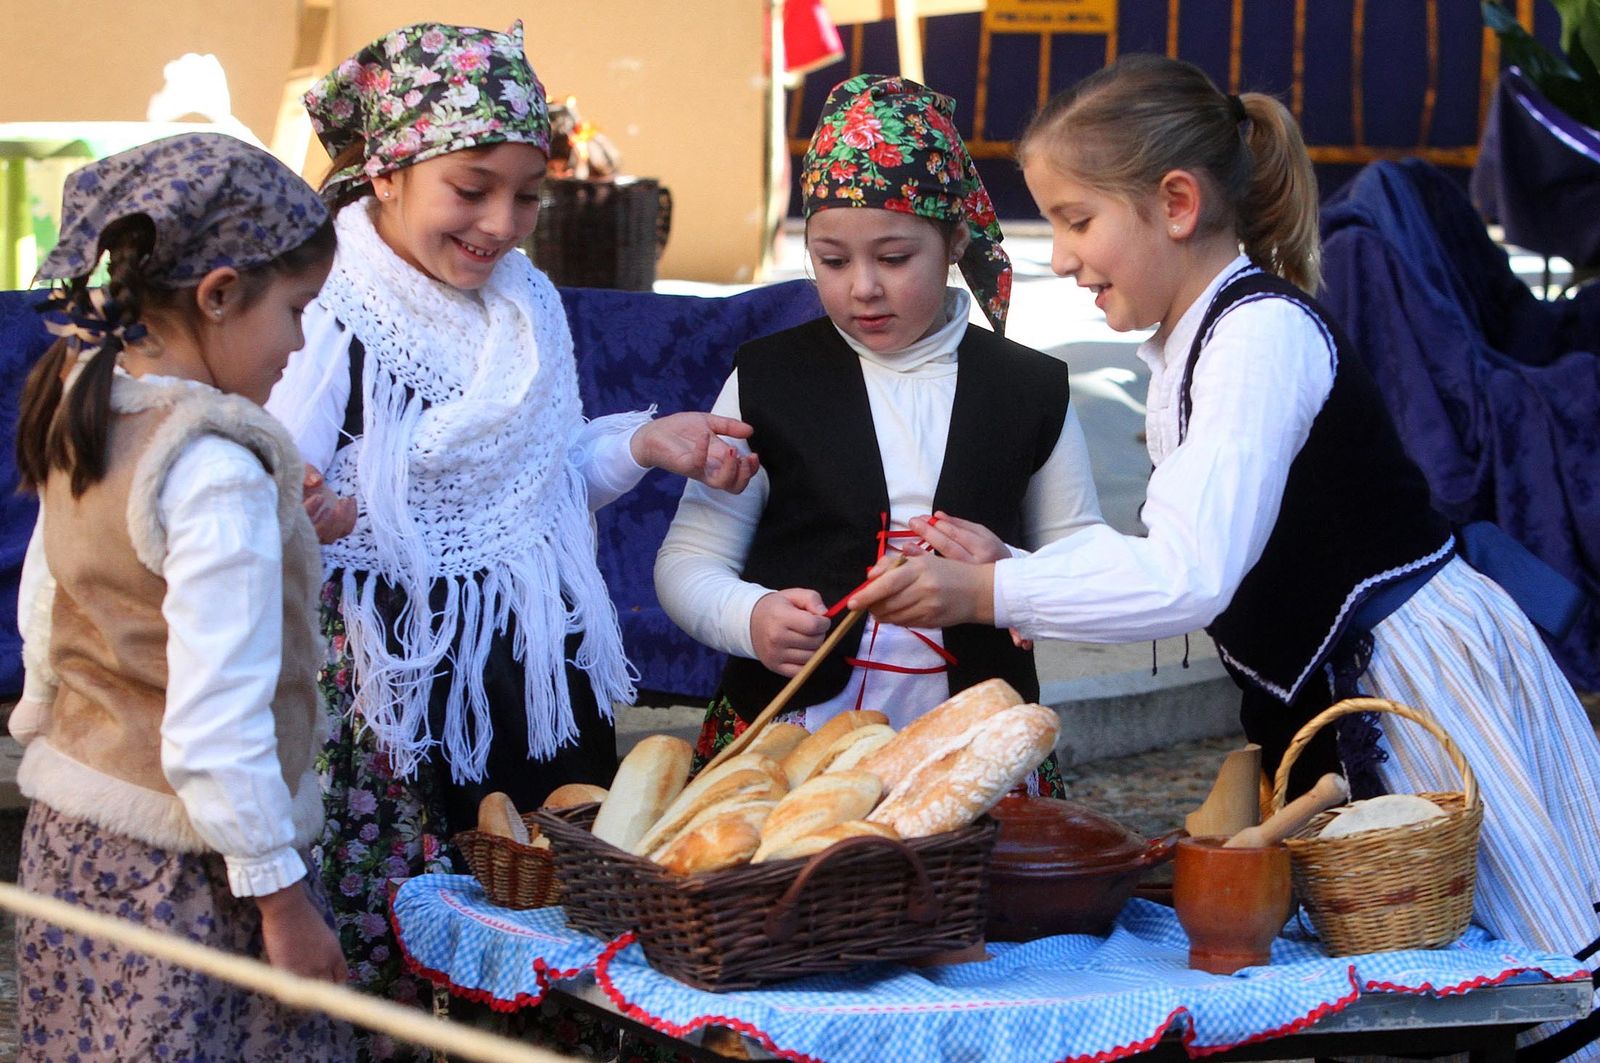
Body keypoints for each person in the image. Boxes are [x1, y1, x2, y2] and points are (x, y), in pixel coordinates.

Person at [850, 54, 1600, 1058]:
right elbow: (1191, 550)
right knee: (1408, 990)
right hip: (1347, 691)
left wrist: (986, 587)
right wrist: (1012, 559)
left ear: (1174, 201)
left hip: (1417, 690)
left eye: (1076, 219)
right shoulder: (1198, 340)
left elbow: (1188, 574)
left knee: (1507, 990)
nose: (1061, 255)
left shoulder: (1258, 341)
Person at [266, 21, 757, 1060]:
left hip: (524, 664)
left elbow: (539, 476)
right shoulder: (321, 302)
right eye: (472, 186)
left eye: (527, 193)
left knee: (548, 905)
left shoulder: (525, 303)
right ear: (390, 170)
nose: (502, 221)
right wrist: (316, 508)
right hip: (386, 675)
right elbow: (264, 481)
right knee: (407, 925)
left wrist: (642, 441)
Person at [10, 133, 353, 1060]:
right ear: (219, 294)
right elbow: (214, 722)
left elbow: (59, 590)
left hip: (76, 839)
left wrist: (43, 708)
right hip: (188, 880)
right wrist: (281, 898)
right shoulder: (214, 470)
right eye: (295, 308)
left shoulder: (90, 397)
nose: (299, 341)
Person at [655, 74, 1102, 785]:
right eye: (831, 260)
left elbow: (1090, 567)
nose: (862, 285)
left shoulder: (1030, 388)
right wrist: (751, 616)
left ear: (955, 239)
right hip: (793, 741)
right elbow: (687, 560)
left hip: (974, 743)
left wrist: (1014, 574)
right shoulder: (769, 376)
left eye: (893, 258)